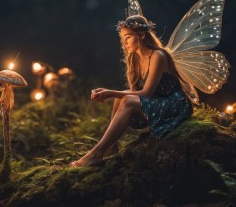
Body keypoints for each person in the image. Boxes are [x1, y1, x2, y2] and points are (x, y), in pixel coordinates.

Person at [70, 15, 193, 167]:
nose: (124, 42)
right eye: (122, 38)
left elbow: (146, 93)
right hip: (157, 100)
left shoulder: (158, 56)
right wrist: (114, 94)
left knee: (124, 97)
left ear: (141, 35)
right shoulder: (134, 58)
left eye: (128, 37)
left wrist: (111, 92)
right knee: (121, 97)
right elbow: (135, 91)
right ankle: (111, 147)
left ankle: (96, 154)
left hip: (174, 103)